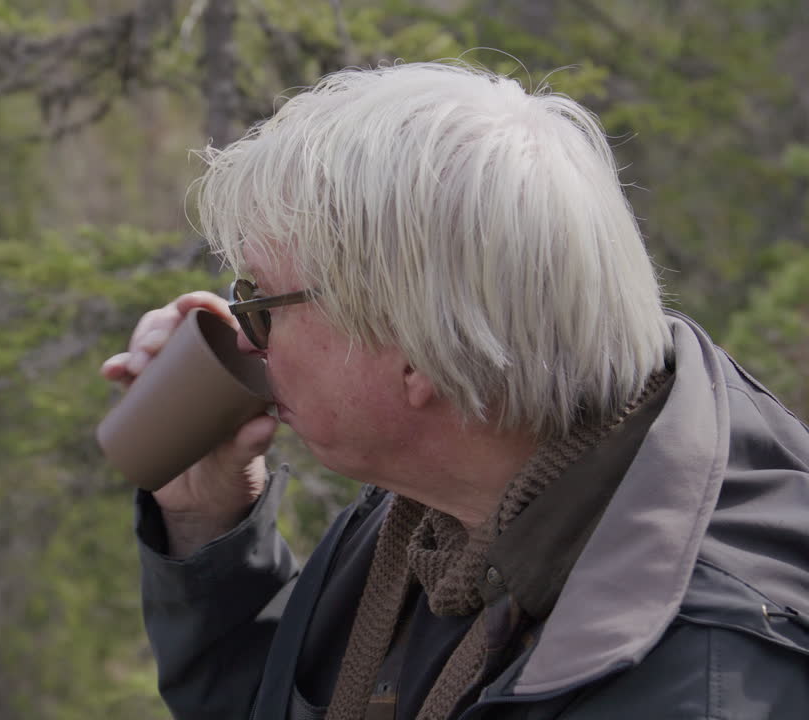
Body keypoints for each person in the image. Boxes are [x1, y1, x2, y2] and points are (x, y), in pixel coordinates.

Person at [100, 61, 809, 720]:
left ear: (419, 355)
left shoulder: (701, 676)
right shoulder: (438, 510)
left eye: (260, 300)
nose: (244, 337)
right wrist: (206, 517)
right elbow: (272, 700)